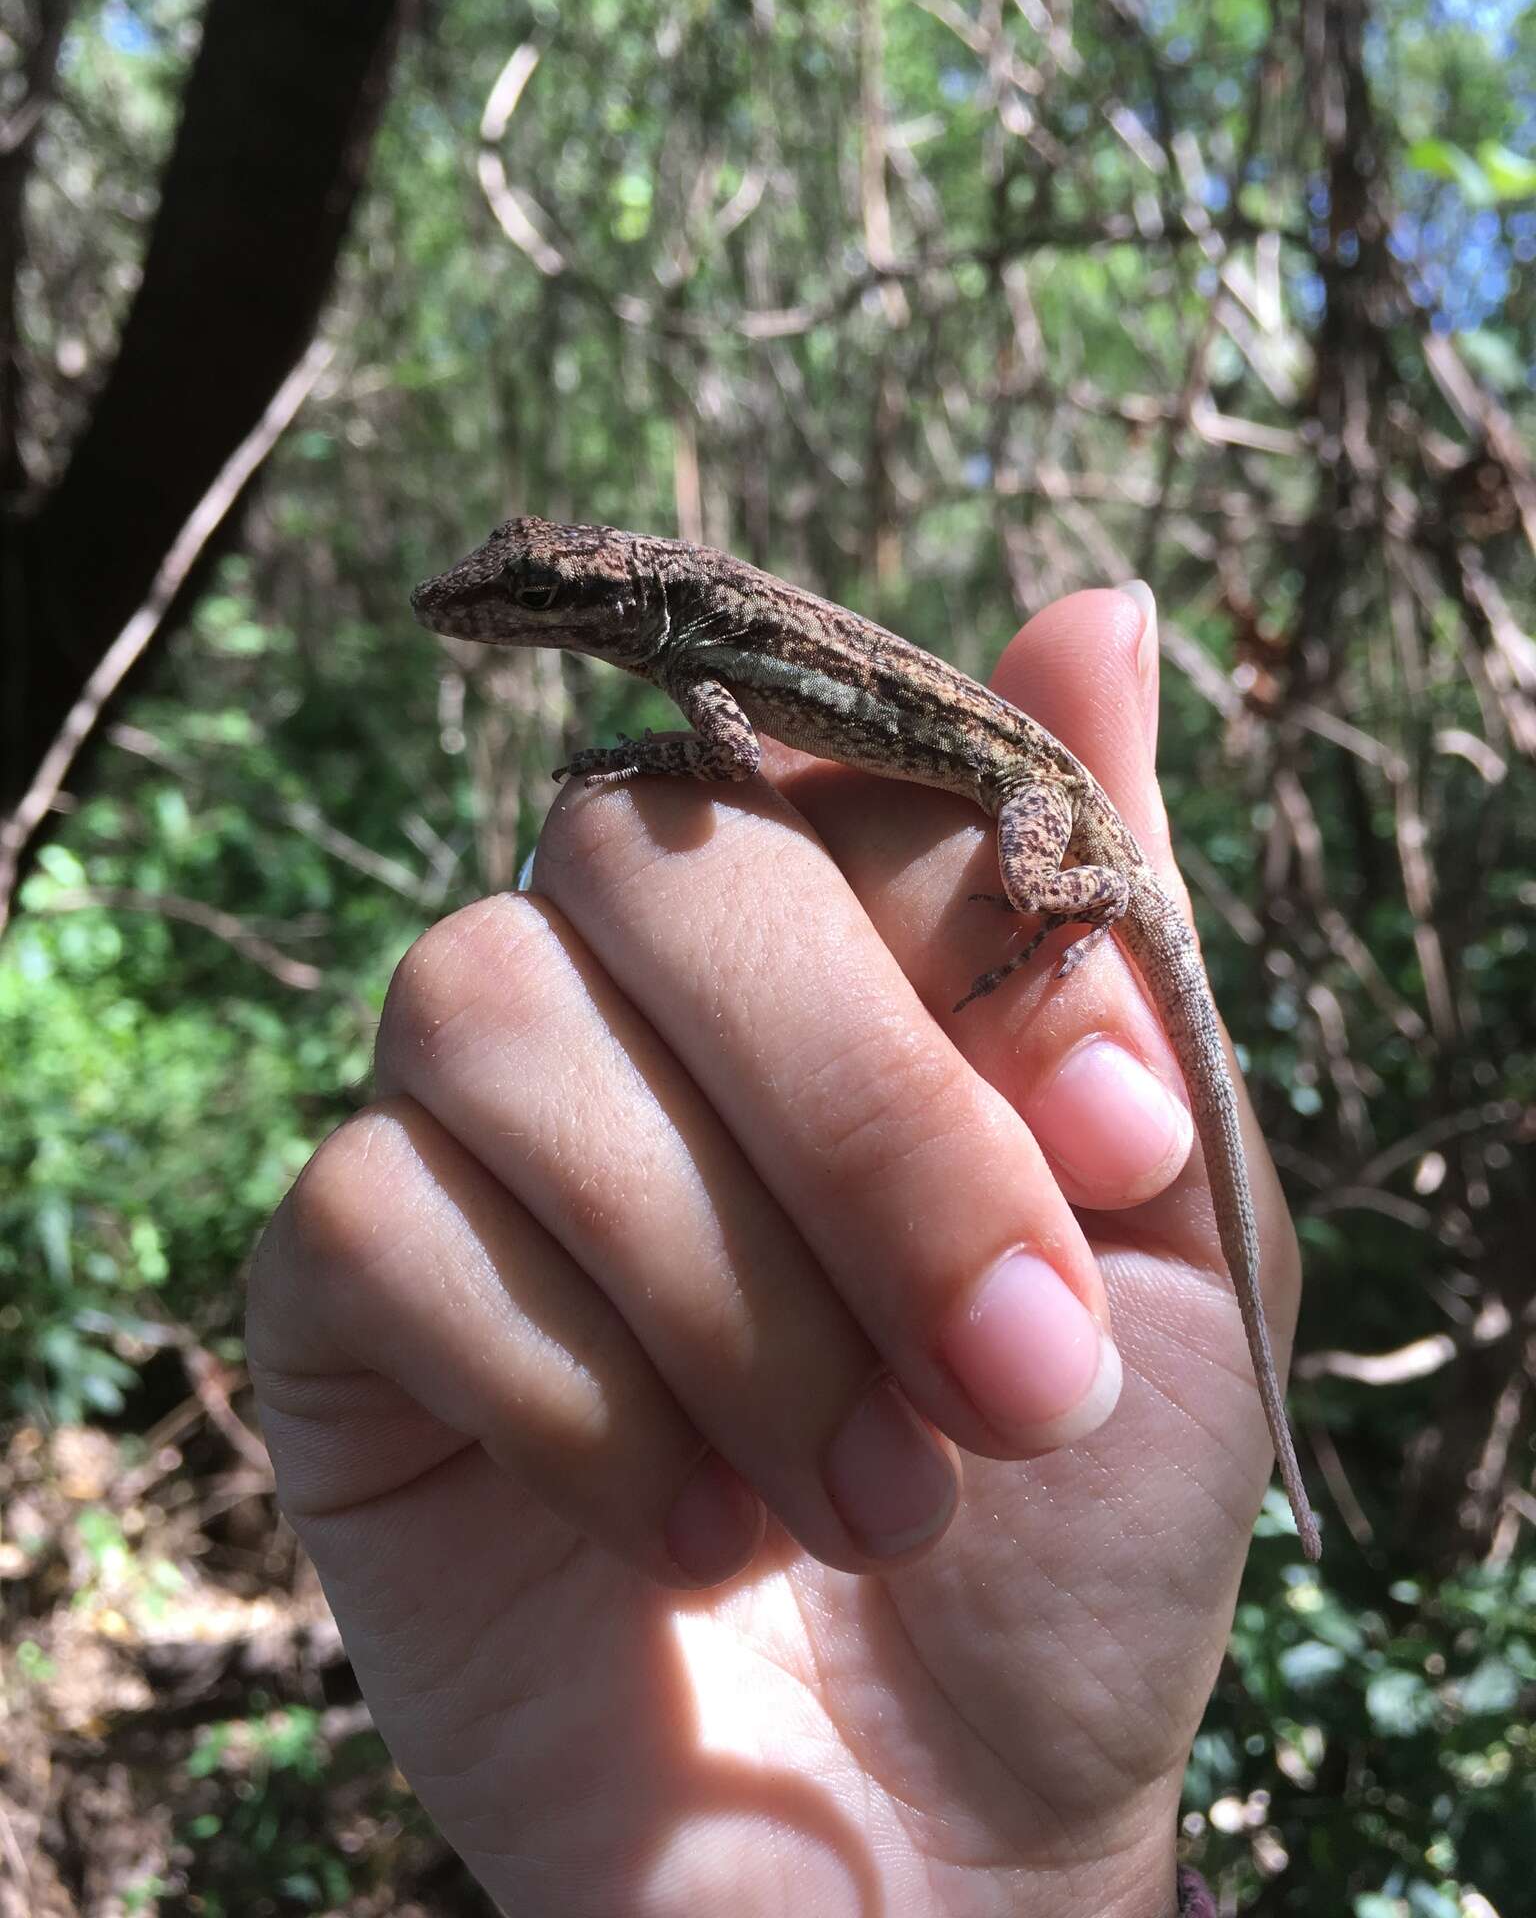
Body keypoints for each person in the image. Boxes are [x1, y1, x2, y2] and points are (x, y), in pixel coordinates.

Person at [247, 582, 1298, 1916]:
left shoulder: (696, 649)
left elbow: (736, 755)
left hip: (1021, 781)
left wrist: (1101, 899)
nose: (490, 613)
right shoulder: (682, 632)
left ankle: (1081, 901)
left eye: (523, 598)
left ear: (597, 604)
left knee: (1027, 889)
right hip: (985, 770)